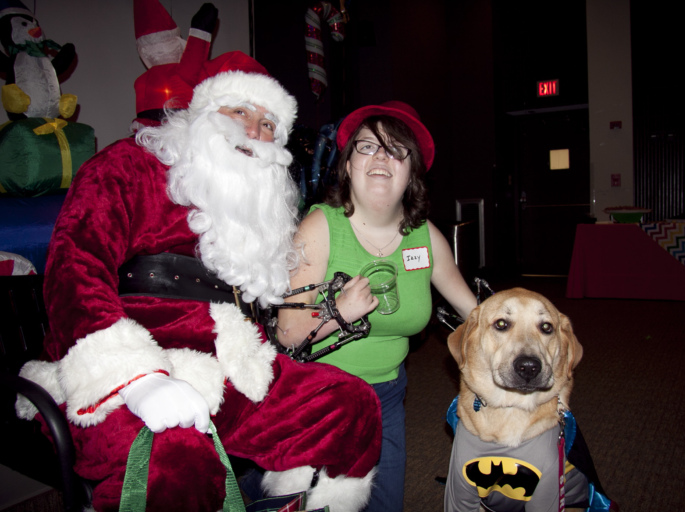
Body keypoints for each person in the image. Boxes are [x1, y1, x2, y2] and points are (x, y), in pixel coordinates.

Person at [15, 51, 381, 512]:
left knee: (350, 405)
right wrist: (140, 379)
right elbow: (75, 271)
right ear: (202, 114)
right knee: (177, 462)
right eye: (240, 112)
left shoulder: (258, 210)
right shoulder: (130, 166)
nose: (254, 131)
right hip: (125, 375)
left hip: (232, 371)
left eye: (269, 124)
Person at [276, 101, 478, 512]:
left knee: (386, 505)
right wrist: (338, 312)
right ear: (348, 166)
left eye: (396, 149)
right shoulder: (320, 228)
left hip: (388, 395)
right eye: (367, 147)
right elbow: (287, 332)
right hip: (322, 397)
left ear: (411, 172)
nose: (382, 156)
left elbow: (476, 314)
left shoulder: (424, 237)